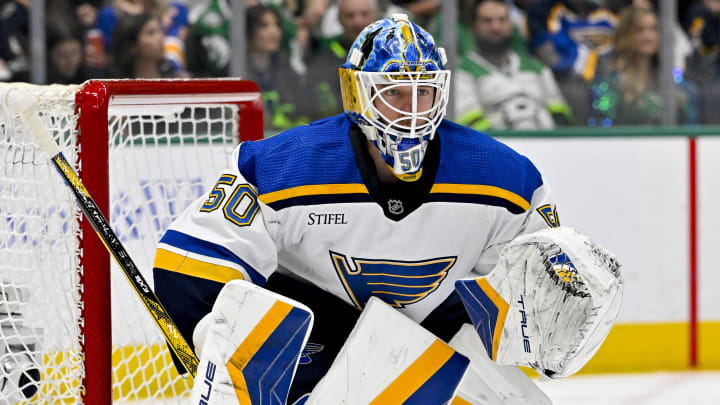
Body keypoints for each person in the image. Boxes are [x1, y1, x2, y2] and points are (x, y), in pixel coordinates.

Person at [153, 14, 621, 404]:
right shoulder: (284, 166)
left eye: (424, 93)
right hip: (314, 348)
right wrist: (218, 345)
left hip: (424, 348)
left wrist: (555, 313)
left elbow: (526, 298)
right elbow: (190, 264)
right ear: (359, 94)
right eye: (393, 92)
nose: (412, 110)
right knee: (244, 310)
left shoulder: (507, 180)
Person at [455, 0, 572, 130]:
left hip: (547, 144)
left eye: (502, 20)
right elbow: (469, 124)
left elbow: (561, 116)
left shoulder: (536, 66)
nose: (496, 27)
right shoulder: (461, 71)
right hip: (495, 147)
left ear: (511, 24)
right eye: (487, 21)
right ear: (473, 27)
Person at [590, 6, 698, 125]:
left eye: (653, 29)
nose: (648, 36)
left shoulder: (673, 79)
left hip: (672, 143)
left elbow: (690, 121)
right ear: (626, 35)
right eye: (639, 30)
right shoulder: (612, 80)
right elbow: (601, 126)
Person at [304, 0, 380, 120]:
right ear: (339, 19)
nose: (357, 21)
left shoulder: (391, 50)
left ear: (375, 16)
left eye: (364, 14)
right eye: (350, 15)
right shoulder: (324, 52)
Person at [108, 13, 180, 78]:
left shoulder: (173, 75)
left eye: (160, 30)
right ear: (133, 46)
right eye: (151, 33)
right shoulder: (118, 82)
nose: (160, 37)